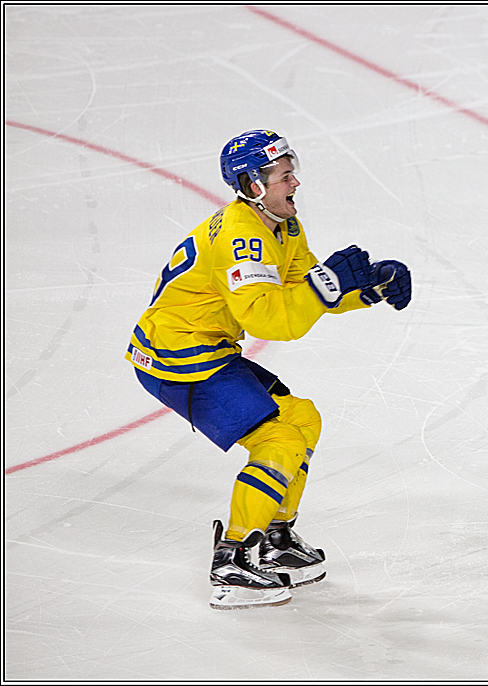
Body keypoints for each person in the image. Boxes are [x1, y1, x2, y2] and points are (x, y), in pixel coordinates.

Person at [126, 129, 412, 609]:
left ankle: (273, 538)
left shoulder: (283, 224)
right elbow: (271, 320)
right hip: (177, 357)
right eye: (284, 175)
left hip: (205, 348)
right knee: (278, 439)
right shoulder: (243, 238)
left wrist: (368, 289)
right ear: (253, 185)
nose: (295, 182)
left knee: (302, 419)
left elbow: (304, 291)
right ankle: (233, 559)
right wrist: (328, 283)